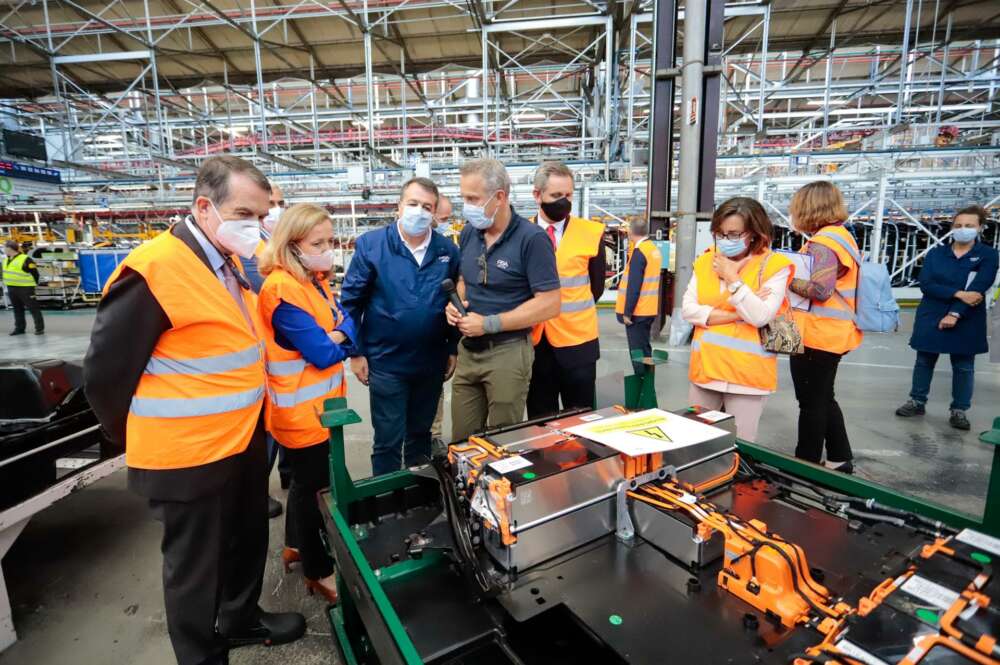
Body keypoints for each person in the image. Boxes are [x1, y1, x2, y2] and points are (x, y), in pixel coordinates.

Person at [84, 156, 305, 665]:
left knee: (248, 538)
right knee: (195, 568)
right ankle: (203, 656)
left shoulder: (230, 262)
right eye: (245, 213)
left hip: (242, 439)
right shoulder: (155, 268)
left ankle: (240, 619)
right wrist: (140, 437)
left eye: (262, 214)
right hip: (185, 454)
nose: (257, 225)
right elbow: (106, 376)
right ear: (205, 207)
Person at [258, 202, 356, 602]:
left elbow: (346, 321)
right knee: (314, 491)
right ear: (292, 245)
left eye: (329, 240)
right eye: (318, 242)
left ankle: (296, 546)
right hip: (300, 413)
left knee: (303, 485)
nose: (327, 249)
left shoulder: (314, 281)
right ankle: (319, 570)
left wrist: (340, 333)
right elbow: (324, 351)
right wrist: (339, 337)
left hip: (320, 409)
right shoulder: (281, 290)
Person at [341, 178, 460, 475]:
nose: (419, 211)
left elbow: (454, 302)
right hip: (386, 363)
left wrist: (452, 348)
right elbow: (351, 302)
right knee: (388, 441)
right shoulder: (372, 245)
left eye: (427, 207)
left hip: (430, 363)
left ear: (435, 213)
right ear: (399, 206)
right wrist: (356, 352)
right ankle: (388, 505)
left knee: (421, 437)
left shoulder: (447, 250)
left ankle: (419, 499)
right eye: (413, 203)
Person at [445, 159, 560, 442]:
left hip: (508, 352)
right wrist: (456, 305)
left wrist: (490, 323)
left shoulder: (531, 239)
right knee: (462, 441)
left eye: (472, 198)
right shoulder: (470, 232)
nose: (467, 206)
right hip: (469, 351)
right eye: (464, 198)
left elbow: (550, 303)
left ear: (499, 197)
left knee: (502, 441)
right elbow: (465, 280)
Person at [681, 198, 794, 442]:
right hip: (706, 370)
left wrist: (733, 278)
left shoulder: (774, 266)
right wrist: (737, 312)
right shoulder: (705, 261)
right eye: (720, 234)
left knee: (739, 447)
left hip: (748, 377)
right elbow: (688, 310)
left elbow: (760, 316)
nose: (725, 240)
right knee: (695, 442)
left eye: (733, 234)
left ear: (753, 233)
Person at [895, 205, 999, 430]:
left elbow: (979, 287)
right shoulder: (936, 253)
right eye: (959, 225)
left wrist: (955, 313)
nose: (963, 229)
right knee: (924, 360)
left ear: (980, 228)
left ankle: (959, 409)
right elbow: (927, 284)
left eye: (969, 226)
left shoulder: (988, 255)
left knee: (963, 365)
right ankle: (917, 400)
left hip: (967, 317)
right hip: (931, 313)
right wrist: (958, 293)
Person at [787, 181, 863, 473]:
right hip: (831, 335)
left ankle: (805, 463)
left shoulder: (824, 243)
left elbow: (820, 289)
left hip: (818, 336)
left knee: (810, 403)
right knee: (822, 396)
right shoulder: (841, 237)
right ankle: (840, 457)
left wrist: (785, 276)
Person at [525, 161, 606, 418]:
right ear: (537, 195)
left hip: (578, 343)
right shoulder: (520, 234)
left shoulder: (591, 232)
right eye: (556, 195)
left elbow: (597, 287)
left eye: (569, 195)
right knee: (540, 419)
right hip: (535, 342)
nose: (564, 201)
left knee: (580, 418)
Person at [615, 219, 662, 376]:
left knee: (637, 352)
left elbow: (633, 287)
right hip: (649, 309)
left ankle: (641, 384)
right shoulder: (653, 249)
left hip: (637, 312)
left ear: (630, 232)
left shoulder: (639, 252)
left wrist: (627, 313)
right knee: (645, 348)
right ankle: (648, 381)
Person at [430, 193, 454, 448]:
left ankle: (434, 435)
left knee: (435, 391)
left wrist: (451, 346)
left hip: (437, 338)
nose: (446, 223)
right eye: (444, 218)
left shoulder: (448, 250)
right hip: (397, 347)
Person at [3, 240, 44, 336]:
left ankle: (39, 328)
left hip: (25, 288)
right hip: (11, 287)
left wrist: (35, 285)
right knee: (17, 309)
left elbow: (35, 273)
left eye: (5, 247)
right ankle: (19, 328)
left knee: (33, 308)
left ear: (10, 248)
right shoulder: (6, 260)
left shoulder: (26, 259)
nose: (4, 250)